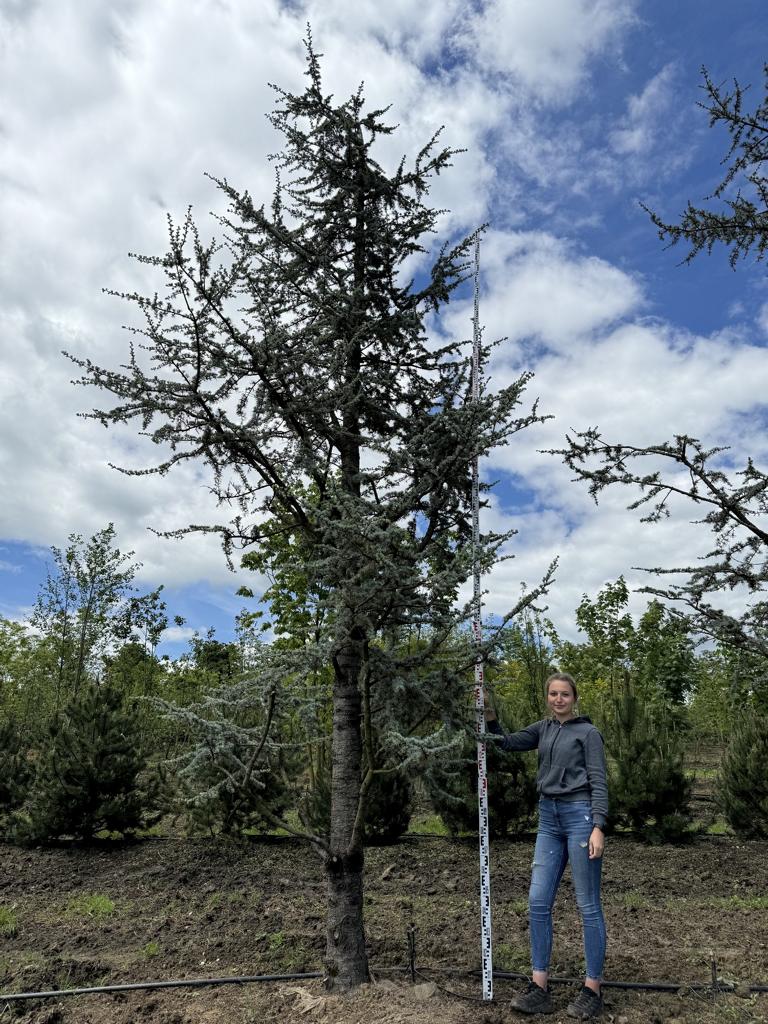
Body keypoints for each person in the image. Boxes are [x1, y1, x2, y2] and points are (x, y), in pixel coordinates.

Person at [484, 673, 608, 1019]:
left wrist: (598, 826)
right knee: (537, 901)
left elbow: (599, 780)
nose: (558, 699)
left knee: (588, 905)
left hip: (580, 817)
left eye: (564, 694)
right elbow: (505, 743)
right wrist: (490, 717)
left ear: (574, 697)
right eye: (553, 694)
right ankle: (539, 986)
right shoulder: (543, 728)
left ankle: (592, 990)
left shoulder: (588, 733)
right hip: (548, 819)